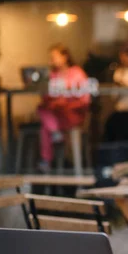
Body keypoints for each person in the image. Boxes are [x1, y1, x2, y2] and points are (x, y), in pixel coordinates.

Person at [38, 43, 90, 172]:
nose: (53, 60)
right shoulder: (53, 75)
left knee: (45, 128)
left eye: (55, 57)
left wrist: (66, 104)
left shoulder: (77, 73)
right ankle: (55, 135)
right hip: (57, 114)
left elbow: (85, 100)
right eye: (51, 57)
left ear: (65, 56)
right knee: (42, 109)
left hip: (72, 113)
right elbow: (46, 97)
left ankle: (47, 159)